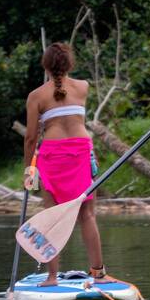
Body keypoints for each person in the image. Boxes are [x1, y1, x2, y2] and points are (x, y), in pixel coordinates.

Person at [23, 41, 107, 285]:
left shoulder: (36, 96)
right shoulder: (83, 87)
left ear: (46, 66)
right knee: (88, 216)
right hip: (81, 152)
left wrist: (29, 170)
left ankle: (52, 277)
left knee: (52, 216)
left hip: (52, 156)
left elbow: (30, 138)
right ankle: (98, 273)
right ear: (70, 64)